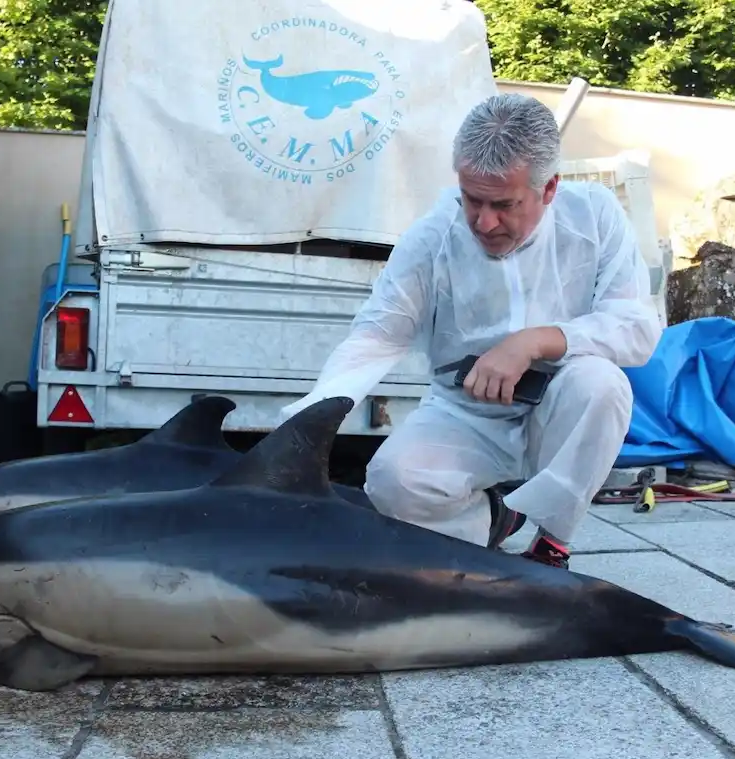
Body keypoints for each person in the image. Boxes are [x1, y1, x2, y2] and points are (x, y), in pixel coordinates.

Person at [278, 92, 662, 568]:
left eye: (503, 205)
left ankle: (552, 543)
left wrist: (533, 342)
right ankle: (489, 530)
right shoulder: (433, 235)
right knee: (393, 481)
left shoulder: (595, 216)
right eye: (471, 200)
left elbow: (637, 328)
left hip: (560, 400)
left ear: (549, 189)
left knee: (603, 386)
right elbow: (379, 334)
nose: (483, 221)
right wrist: (306, 421)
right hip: (466, 412)